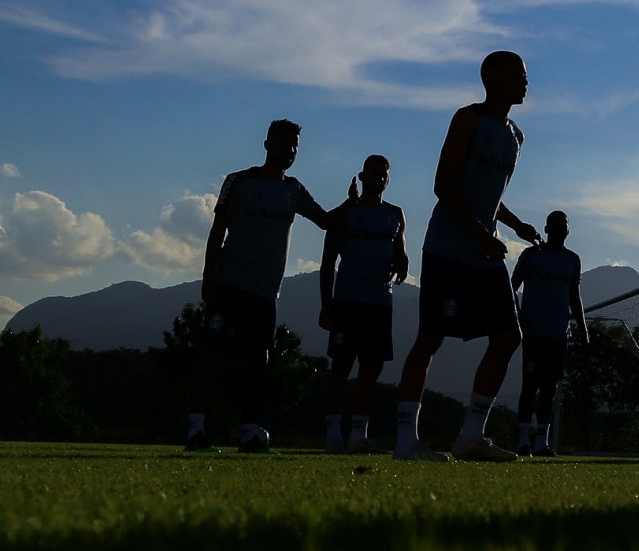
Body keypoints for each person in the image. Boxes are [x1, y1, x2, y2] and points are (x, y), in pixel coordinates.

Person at [394, 50, 541, 462]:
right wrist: (480, 234)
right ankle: (406, 441)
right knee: (431, 338)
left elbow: (490, 195)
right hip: (450, 248)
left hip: (486, 248)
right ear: (491, 77)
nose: (524, 82)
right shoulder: (467, 119)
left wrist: (514, 225)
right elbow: (445, 185)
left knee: (510, 335)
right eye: (517, 75)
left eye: (525, 76)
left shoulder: (516, 135)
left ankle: (471, 436)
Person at [189, 118, 340, 454]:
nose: (288, 151)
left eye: (294, 147)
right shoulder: (239, 182)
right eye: (282, 144)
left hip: (265, 293)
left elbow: (326, 221)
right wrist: (208, 277)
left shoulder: (294, 190)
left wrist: (353, 203)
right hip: (229, 283)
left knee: (258, 362)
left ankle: (249, 434)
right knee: (210, 357)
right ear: (267, 144)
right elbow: (218, 230)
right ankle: (195, 430)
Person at [317, 154, 407, 454]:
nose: (379, 179)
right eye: (374, 173)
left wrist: (402, 261)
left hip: (380, 302)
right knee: (341, 369)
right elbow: (328, 260)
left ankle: (358, 436)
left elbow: (400, 251)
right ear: (362, 175)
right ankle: (332, 434)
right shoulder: (348, 214)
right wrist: (326, 304)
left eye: (384, 174)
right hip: (348, 300)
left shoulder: (395, 214)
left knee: (371, 370)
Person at [513, 209, 586, 457]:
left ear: (568, 230)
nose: (559, 228)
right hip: (534, 333)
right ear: (546, 229)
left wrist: (583, 328)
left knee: (550, 389)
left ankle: (542, 443)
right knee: (530, 385)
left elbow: (574, 297)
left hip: (559, 335)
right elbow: (511, 286)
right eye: (554, 224)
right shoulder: (532, 255)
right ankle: (523, 441)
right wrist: (519, 317)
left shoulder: (573, 260)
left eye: (563, 224)